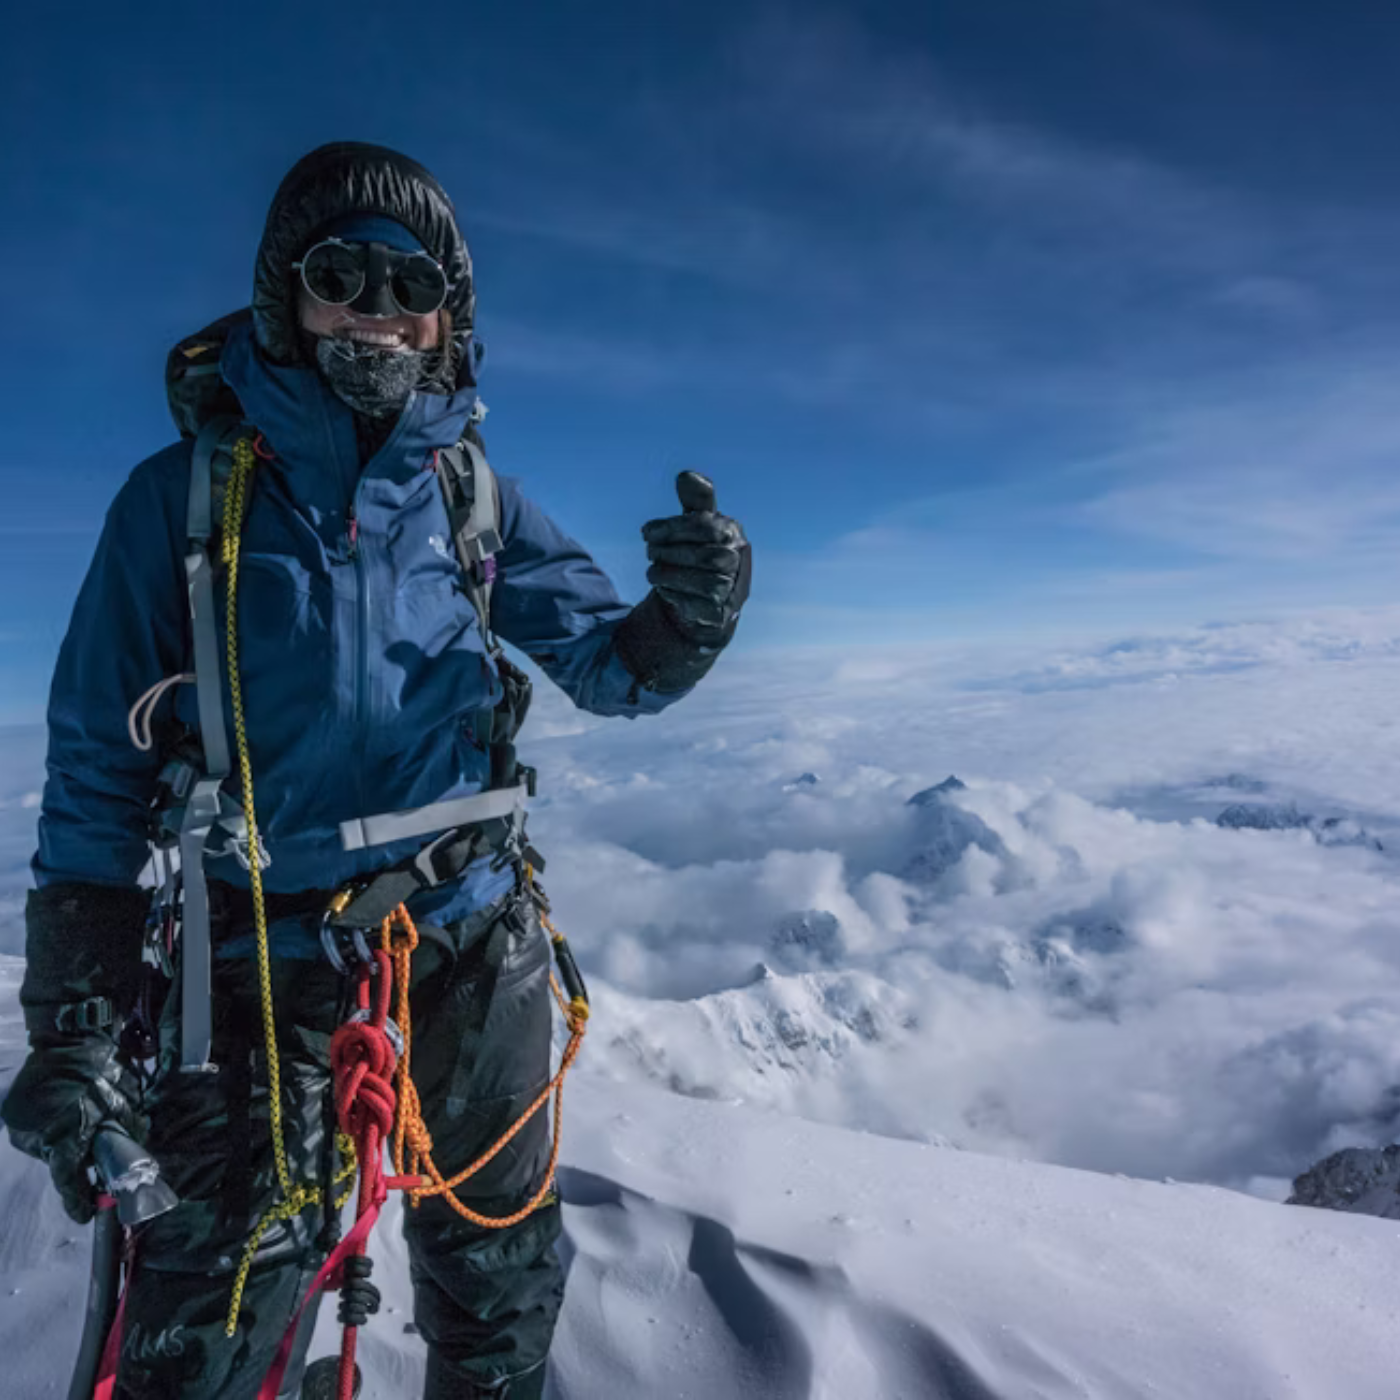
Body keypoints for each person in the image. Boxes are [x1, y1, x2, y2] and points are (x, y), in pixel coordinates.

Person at [0, 141, 750, 1399]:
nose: (376, 308)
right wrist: (74, 1017)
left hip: (469, 939)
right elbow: (94, 772)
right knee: (217, 1304)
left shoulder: (472, 500)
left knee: (499, 1278)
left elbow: (612, 668)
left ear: (447, 314)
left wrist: (684, 622)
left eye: (409, 285)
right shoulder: (179, 502)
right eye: (338, 273)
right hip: (250, 963)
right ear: (282, 296)